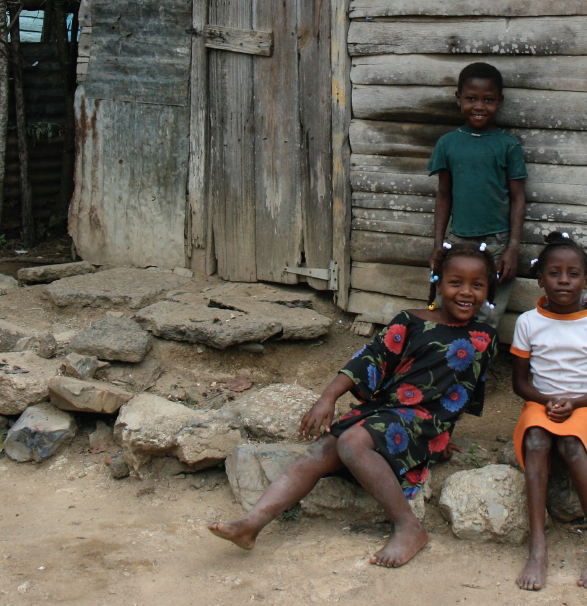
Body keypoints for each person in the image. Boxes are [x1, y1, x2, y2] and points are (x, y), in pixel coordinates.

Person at [208, 243, 500, 568]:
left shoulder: (483, 337)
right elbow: (369, 359)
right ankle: (252, 524)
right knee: (317, 453)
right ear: (438, 283)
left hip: (421, 424)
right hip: (386, 412)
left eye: (478, 285)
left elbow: (461, 391)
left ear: (489, 290)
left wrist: (442, 438)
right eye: (455, 282)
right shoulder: (410, 321)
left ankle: (409, 527)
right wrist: (328, 397)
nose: (466, 292)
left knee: (351, 442)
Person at [509, 232, 587, 591]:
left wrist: (576, 403)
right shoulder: (527, 322)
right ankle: (537, 548)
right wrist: (546, 400)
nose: (563, 281)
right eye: (554, 273)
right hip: (540, 402)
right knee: (536, 440)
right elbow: (519, 383)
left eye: (573, 274)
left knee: (570, 446)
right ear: (540, 279)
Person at [428, 62, 527, 328]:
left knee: (488, 315)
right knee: (446, 308)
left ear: (500, 101)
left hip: (497, 243)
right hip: (456, 240)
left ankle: (478, 366)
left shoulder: (508, 145)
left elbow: (518, 198)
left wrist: (513, 248)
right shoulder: (448, 144)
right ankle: (447, 364)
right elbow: (444, 196)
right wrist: (438, 244)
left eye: (489, 100)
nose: (480, 106)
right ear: (458, 98)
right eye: (471, 98)